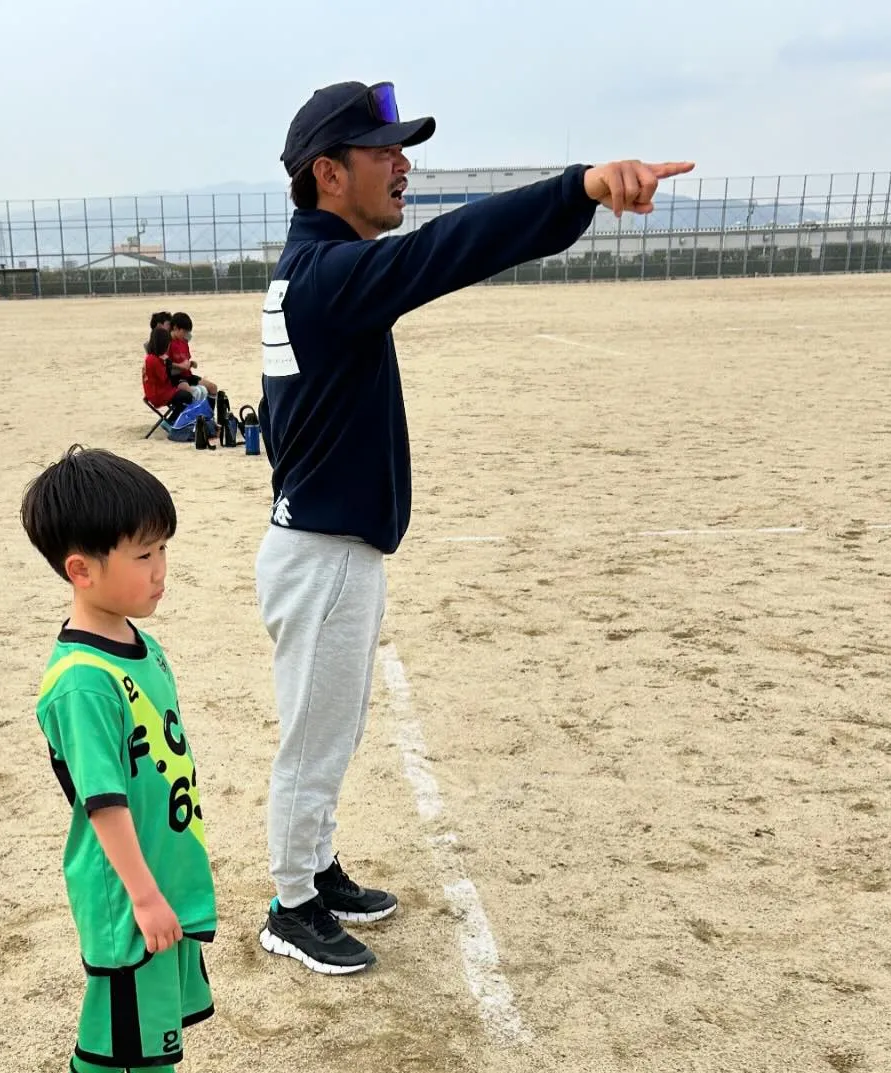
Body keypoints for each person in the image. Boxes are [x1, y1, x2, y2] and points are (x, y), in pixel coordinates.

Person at [254, 79, 694, 974]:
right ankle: (291, 904)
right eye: (386, 152)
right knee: (314, 733)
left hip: (326, 546)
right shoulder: (329, 276)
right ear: (329, 174)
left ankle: (317, 867)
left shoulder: (313, 271)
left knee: (333, 729)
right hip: (322, 555)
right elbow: (448, 251)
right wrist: (579, 188)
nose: (404, 163)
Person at [22, 446, 217, 1073]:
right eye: (143, 555)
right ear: (81, 570)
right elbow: (101, 800)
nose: (161, 571)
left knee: (153, 1038)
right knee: (108, 1050)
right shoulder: (83, 681)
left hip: (162, 874)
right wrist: (144, 896)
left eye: (163, 550)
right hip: (129, 893)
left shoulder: (142, 645)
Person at [143, 326, 206, 422]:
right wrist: (169, 365)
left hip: (158, 390)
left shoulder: (153, 357)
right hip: (158, 394)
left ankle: (179, 420)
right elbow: (164, 378)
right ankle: (172, 421)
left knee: (189, 392)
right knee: (187, 396)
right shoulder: (154, 360)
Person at [166, 313, 217, 398]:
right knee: (198, 391)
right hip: (176, 378)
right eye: (184, 332)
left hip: (188, 376)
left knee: (213, 387)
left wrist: (191, 363)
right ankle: (195, 410)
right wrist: (181, 366)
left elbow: (185, 360)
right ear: (175, 328)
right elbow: (165, 363)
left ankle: (209, 411)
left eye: (187, 332)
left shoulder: (183, 342)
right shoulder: (168, 343)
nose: (186, 335)